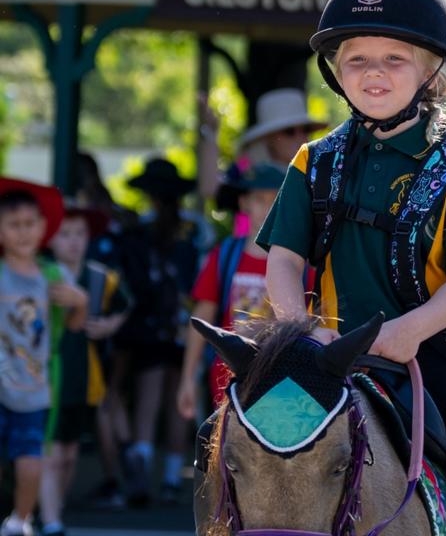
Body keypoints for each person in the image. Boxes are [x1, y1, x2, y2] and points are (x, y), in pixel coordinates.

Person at [257, 0, 446, 535]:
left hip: (426, 352)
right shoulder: (314, 160)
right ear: (336, 72)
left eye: (394, 59)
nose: (373, 73)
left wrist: (407, 332)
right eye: (357, 59)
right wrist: (300, 328)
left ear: (431, 71)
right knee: (240, 437)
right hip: (326, 349)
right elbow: (283, 258)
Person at [177, 163, 304, 420]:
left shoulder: (301, 264)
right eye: (259, 199)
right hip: (227, 380)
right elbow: (201, 319)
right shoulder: (225, 255)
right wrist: (188, 378)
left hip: (282, 383)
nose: (267, 208)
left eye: (275, 200)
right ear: (244, 202)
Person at [39, 200, 131, 536]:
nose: (73, 241)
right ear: (50, 238)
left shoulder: (99, 276)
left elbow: (125, 304)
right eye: (65, 234)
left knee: (69, 452)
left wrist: (108, 325)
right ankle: (50, 519)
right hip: (46, 373)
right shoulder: (40, 272)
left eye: (79, 233)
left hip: (85, 376)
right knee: (49, 451)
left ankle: (54, 509)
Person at [0, 179, 86, 536]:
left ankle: (20, 521)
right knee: (22, 456)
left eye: (30, 224)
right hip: (12, 383)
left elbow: (74, 326)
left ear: (42, 226)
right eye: (13, 225)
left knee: (31, 460)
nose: (23, 232)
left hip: (34, 386)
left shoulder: (53, 275)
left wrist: (79, 302)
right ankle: (15, 519)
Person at [114, 158, 202, 506]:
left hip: (149, 328)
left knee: (147, 402)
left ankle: (141, 475)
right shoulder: (196, 229)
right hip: (185, 328)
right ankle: (169, 480)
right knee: (179, 402)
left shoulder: (138, 229)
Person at [196, 88, 327, 203]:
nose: (301, 138)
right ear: (269, 137)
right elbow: (212, 189)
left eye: (305, 129)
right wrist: (210, 134)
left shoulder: (321, 170)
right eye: (289, 131)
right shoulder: (249, 166)